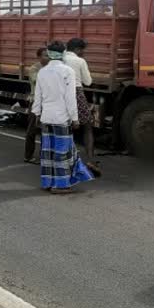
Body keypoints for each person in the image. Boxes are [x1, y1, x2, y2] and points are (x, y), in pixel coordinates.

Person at [32, 41, 94, 194]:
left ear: (50, 53)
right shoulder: (67, 71)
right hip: (61, 118)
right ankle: (60, 185)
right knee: (61, 152)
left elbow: (38, 97)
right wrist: (75, 119)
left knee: (47, 151)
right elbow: (70, 98)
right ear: (63, 53)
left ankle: (47, 182)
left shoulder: (42, 72)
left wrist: (36, 114)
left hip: (46, 116)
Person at [63, 38, 100, 175]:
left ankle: (65, 159)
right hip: (76, 93)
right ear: (78, 49)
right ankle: (90, 160)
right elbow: (88, 82)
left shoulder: (60, 59)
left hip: (60, 94)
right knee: (87, 126)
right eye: (83, 50)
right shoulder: (80, 61)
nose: (83, 53)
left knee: (64, 127)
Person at [25, 47, 50, 164]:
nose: (48, 57)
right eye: (45, 55)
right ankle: (28, 156)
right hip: (36, 102)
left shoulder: (52, 68)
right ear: (39, 57)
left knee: (46, 131)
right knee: (32, 130)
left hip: (48, 103)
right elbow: (39, 80)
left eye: (49, 55)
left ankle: (43, 156)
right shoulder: (34, 68)